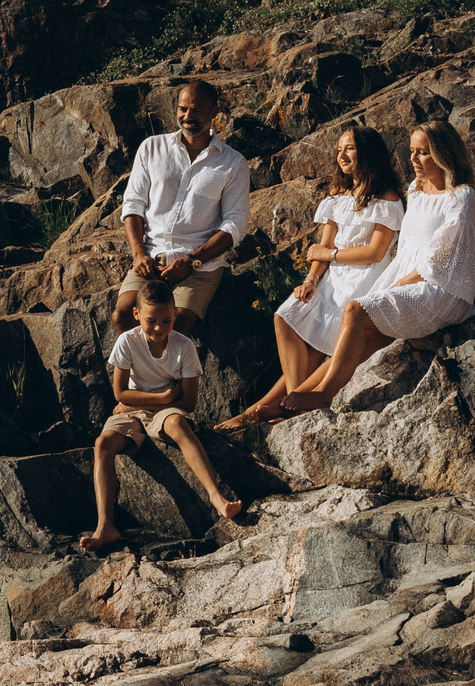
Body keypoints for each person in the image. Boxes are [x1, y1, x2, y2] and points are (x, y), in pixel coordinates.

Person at [279, 120, 475, 411]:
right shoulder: (416, 190)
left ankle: (323, 394)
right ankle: (294, 399)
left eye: (423, 152)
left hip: (442, 290)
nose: (413, 159)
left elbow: (442, 258)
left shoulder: (462, 196)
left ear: (443, 154)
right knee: (366, 337)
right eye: (412, 151)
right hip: (409, 278)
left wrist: (399, 284)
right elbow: (410, 247)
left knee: (355, 310)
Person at [220, 125, 404, 429]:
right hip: (331, 278)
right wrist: (311, 280)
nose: (341, 155)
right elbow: (323, 245)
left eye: (350, 148)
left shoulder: (387, 198)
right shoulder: (338, 195)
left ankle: (265, 410)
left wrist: (327, 256)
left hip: (363, 281)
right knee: (286, 316)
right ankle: (292, 401)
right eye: (339, 149)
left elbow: (374, 252)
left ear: (368, 153)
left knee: (321, 347)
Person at [81, 277, 245, 553]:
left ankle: (216, 496)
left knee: (178, 424)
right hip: (138, 406)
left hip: (166, 411)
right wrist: (163, 397)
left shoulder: (183, 347)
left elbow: (189, 402)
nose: (159, 328)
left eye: (167, 321)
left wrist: (161, 403)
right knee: (103, 444)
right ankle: (105, 526)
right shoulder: (127, 342)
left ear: (174, 315)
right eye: (151, 321)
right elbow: (120, 394)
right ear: (136, 315)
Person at [113, 79, 250, 343]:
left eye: (197, 110)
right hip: (150, 260)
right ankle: (139, 382)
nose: (187, 117)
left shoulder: (233, 163)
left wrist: (192, 261)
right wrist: (138, 253)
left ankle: (166, 383)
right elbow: (133, 204)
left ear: (214, 112)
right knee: (123, 317)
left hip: (199, 268)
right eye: (182, 109)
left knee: (174, 331)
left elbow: (235, 225)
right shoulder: (151, 148)